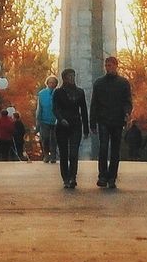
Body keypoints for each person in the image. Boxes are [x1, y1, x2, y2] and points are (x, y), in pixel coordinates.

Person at [89, 55, 132, 190]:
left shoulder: (123, 83)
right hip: (103, 120)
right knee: (103, 148)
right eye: (107, 65)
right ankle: (102, 176)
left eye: (111, 65)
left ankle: (112, 177)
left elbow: (128, 101)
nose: (109, 68)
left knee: (115, 150)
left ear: (116, 66)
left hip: (118, 120)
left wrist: (126, 112)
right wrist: (92, 122)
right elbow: (94, 103)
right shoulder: (99, 83)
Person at [52, 67, 89, 189]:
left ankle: (73, 177)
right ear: (64, 78)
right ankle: (65, 178)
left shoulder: (79, 92)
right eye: (69, 76)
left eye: (73, 76)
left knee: (73, 153)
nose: (72, 79)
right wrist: (61, 119)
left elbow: (83, 110)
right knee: (64, 153)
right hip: (62, 126)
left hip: (75, 125)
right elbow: (55, 108)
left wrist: (86, 128)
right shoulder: (58, 92)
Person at [35, 76, 58, 163]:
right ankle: (46, 155)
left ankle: (53, 156)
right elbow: (39, 108)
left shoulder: (58, 93)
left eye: (54, 83)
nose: (52, 84)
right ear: (47, 83)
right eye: (50, 83)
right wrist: (38, 120)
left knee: (54, 139)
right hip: (44, 120)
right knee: (45, 138)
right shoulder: (42, 93)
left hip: (56, 120)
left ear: (56, 84)